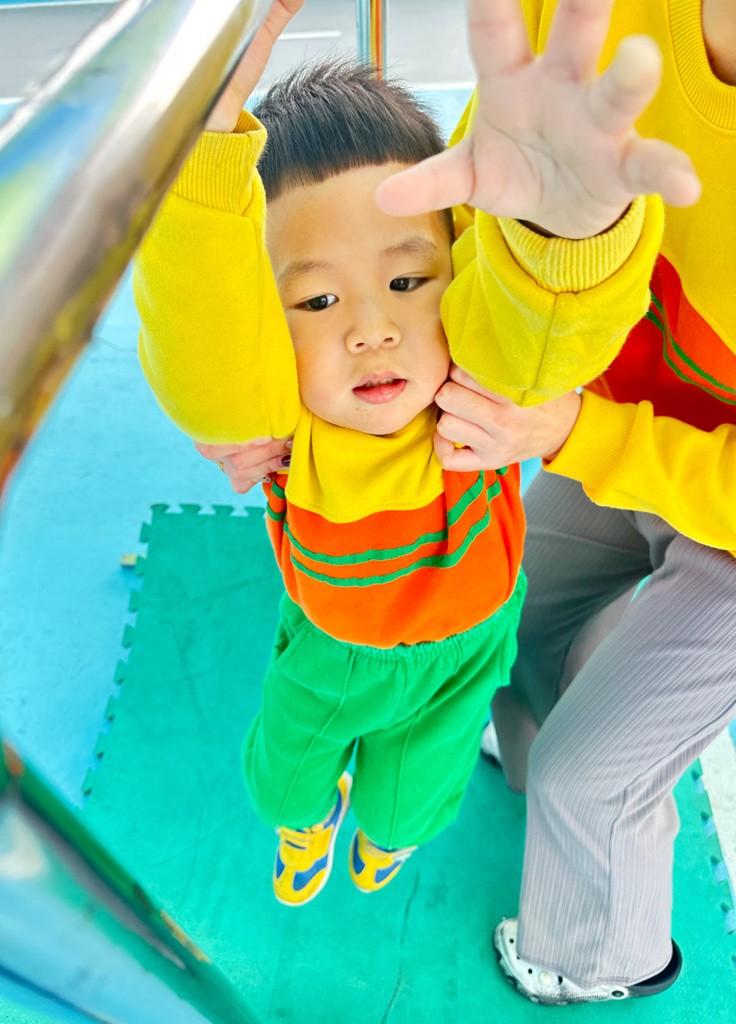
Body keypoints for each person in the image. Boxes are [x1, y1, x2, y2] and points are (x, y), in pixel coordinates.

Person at [134, 0, 648, 912]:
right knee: (285, 782)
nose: (371, 330)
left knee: (411, 802)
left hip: (467, 649)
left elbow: (540, 325)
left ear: (458, 269)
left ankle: (384, 833)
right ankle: (309, 824)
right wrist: (200, 145)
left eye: (407, 280)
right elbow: (208, 340)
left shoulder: (476, 386)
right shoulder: (287, 418)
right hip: (335, 652)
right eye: (316, 302)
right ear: (269, 325)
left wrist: (562, 220)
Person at [375, 0, 734, 1008]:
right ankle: (529, 750)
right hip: (614, 418)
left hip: (680, 487)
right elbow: (464, 216)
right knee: (515, 615)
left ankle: (596, 958)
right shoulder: (596, 20)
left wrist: (575, 432)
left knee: (592, 773)